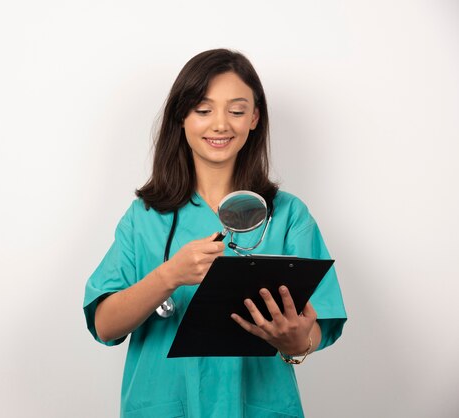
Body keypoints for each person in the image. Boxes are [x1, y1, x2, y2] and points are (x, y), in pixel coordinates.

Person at [83, 49, 347, 418]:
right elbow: (104, 325)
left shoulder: (288, 215)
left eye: (237, 111)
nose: (220, 124)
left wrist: (296, 340)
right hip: (163, 407)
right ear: (181, 117)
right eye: (203, 110)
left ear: (254, 118)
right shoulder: (144, 217)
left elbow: (318, 325)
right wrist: (169, 276)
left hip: (260, 406)